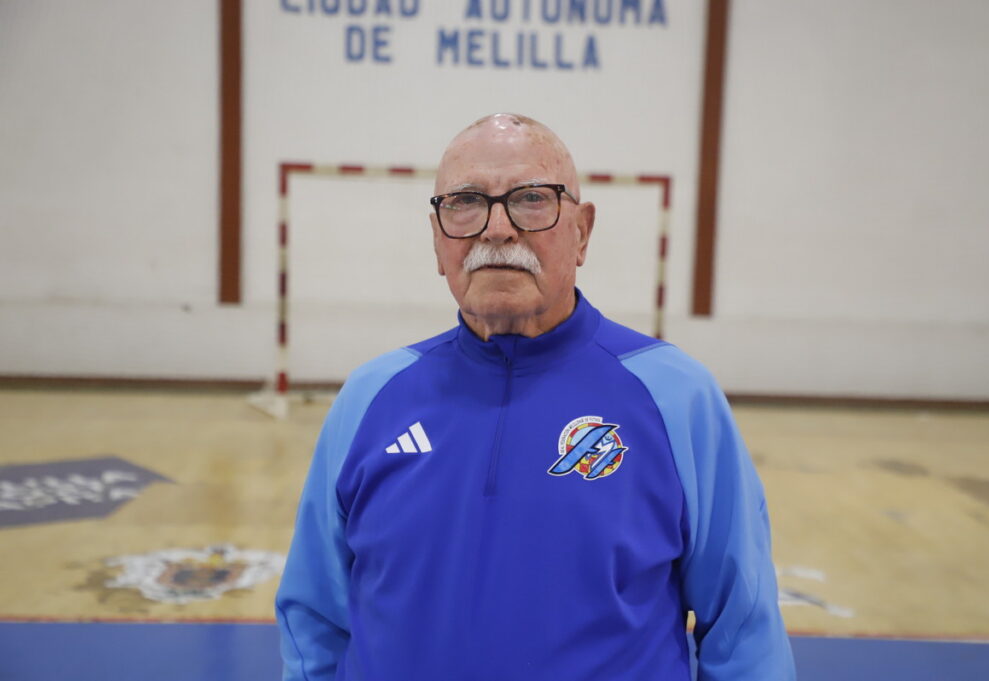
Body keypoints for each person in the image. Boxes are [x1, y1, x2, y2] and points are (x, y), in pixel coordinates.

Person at [275, 113, 796, 681]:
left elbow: (743, 629)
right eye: (466, 202)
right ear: (436, 239)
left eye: (530, 199)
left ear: (582, 231)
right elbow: (314, 617)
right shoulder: (370, 397)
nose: (496, 229)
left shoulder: (677, 398)